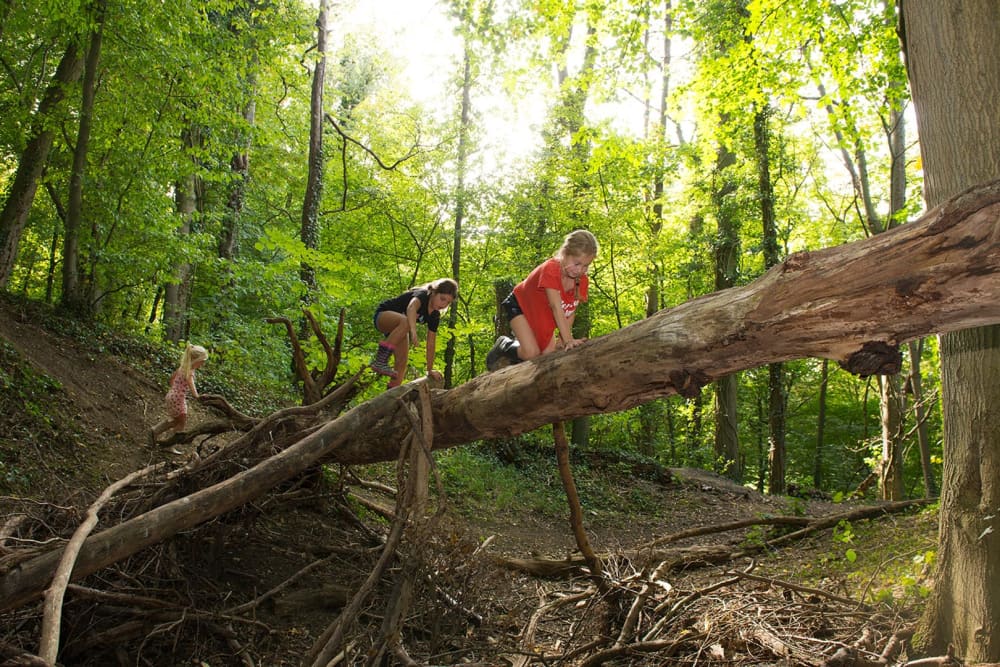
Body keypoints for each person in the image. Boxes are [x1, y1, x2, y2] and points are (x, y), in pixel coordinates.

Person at [486, 229, 598, 371]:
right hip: (520, 304)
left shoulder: (581, 281)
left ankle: (515, 359)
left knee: (547, 354)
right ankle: (504, 344)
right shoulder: (551, 270)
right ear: (564, 253)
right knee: (531, 353)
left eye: (586, 266)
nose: (580, 270)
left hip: (542, 312)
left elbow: (570, 311)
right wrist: (568, 340)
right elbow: (556, 306)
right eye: (577, 263)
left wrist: (562, 339)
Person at [370, 278, 458, 388]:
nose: (444, 304)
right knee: (406, 320)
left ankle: (392, 393)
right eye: (442, 299)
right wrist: (413, 330)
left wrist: (430, 369)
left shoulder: (434, 315)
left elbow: (431, 344)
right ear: (434, 292)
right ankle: (380, 360)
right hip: (383, 317)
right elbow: (411, 307)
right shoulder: (423, 295)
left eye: (448, 302)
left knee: (402, 362)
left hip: (399, 329)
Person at [149, 344, 208, 447]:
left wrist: (174, 389)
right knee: (181, 423)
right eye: (202, 361)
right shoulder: (189, 371)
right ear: (195, 360)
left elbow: (172, 378)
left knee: (176, 420)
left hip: (172, 396)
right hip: (178, 399)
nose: (202, 364)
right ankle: (168, 442)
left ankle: (157, 432)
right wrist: (197, 396)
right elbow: (191, 384)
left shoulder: (182, 368)